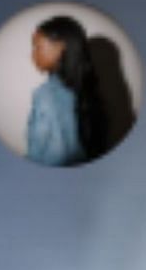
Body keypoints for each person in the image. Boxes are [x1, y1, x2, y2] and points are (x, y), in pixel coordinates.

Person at [25, 18, 105, 168]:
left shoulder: (46, 95)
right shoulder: (87, 91)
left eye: (37, 46)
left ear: (59, 47)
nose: (33, 55)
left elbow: (41, 155)